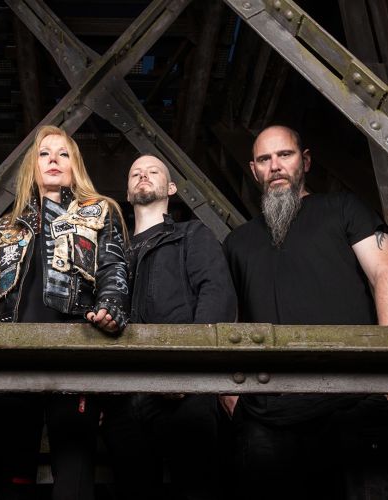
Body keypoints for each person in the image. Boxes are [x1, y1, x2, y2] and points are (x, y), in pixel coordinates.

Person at [0, 125, 129, 500]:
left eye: (63, 154)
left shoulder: (100, 211)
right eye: (44, 153)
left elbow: (113, 268)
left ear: (75, 166)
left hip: (74, 355)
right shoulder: (7, 225)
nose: (53, 160)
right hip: (12, 358)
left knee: (74, 477)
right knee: (11, 478)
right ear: (33, 166)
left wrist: (111, 305)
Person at [223, 125, 388, 499]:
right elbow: (228, 319)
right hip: (268, 417)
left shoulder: (343, 208)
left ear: (306, 161)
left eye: (285, 155)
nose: (275, 166)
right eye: (264, 159)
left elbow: (387, 273)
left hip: (353, 399)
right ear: (254, 170)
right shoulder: (237, 242)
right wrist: (228, 393)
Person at [101, 155, 236, 500]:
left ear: (171, 188)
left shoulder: (192, 235)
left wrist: (188, 371)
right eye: (135, 173)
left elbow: (217, 295)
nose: (143, 175)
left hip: (184, 391)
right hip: (122, 397)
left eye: (153, 171)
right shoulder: (112, 254)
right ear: (127, 193)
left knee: (196, 488)